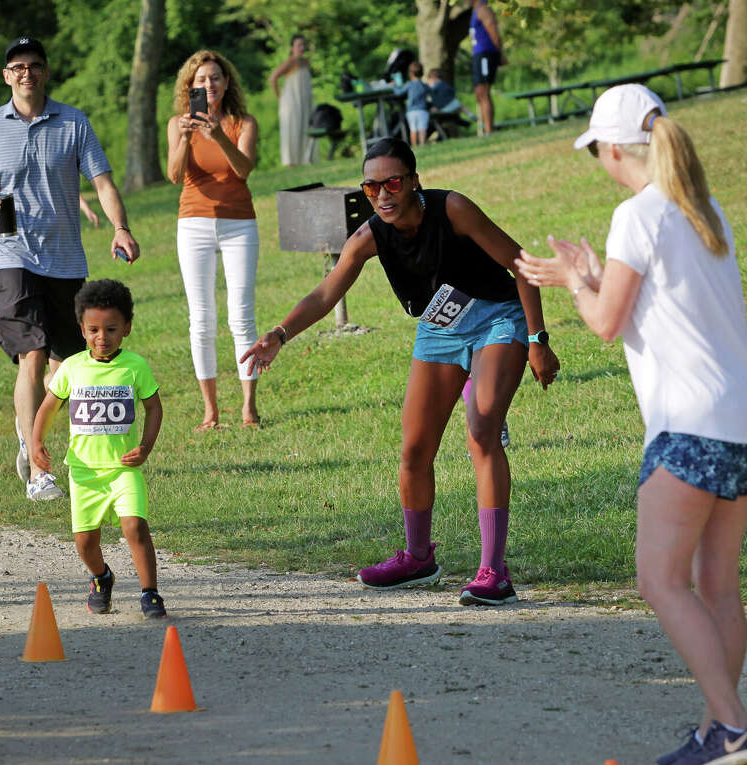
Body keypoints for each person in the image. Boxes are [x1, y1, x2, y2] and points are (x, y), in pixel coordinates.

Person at [515, 85, 747, 765]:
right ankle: (719, 727)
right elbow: (658, 305)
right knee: (718, 585)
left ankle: (732, 727)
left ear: (614, 150)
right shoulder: (707, 211)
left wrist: (571, 280)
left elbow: (605, 320)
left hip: (687, 425)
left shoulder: (637, 214)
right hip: (738, 422)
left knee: (660, 579)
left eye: (598, 154)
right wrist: (592, 271)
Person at [240, 137, 559, 606]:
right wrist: (279, 334)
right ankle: (417, 557)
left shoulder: (452, 209)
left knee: (482, 429)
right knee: (414, 447)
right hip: (440, 329)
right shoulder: (371, 235)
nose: (383, 195)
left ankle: (495, 572)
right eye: (372, 188)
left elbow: (520, 266)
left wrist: (537, 340)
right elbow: (327, 292)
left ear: (413, 181)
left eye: (392, 183)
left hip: (497, 318)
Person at [0, 36, 140, 502]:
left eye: (34, 65)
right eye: (17, 66)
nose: (26, 73)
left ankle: (28, 431)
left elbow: (102, 182)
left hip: (65, 261)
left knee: (64, 367)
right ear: (6, 75)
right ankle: (38, 467)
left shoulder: (74, 123)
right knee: (32, 354)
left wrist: (120, 227)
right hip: (10, 256)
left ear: (46, 72)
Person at [29, 279, 167, 619]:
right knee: (85, 543)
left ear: (127, 329)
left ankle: (150, 593)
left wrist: (145, 447)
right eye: (93, 330)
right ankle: (101, 577)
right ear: (82, 329)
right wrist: (36, 441)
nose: (101, 337)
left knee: (135, 527)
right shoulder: (73, 367)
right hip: (85, 472)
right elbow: (49, 406)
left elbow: (154, 408)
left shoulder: (135, 366)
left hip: (123, 468)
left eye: (111, 329)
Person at [167, 49, 262, 431]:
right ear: (190, 86)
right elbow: (174, 176)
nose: (209, 85)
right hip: (193, 224)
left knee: (241, 315)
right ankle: (210, 410)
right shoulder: (178, 123)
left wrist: (219, 136)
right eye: (201, 80)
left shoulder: (243, 123)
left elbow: (243, 170)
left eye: (216, 78)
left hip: (239, 224)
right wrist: (187, 139)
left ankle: (249, 406)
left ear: (227, 83)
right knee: (201, 319)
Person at [269, 34, 316, 167]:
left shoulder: (305, 62)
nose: (302, 48)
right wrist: (280, 97)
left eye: (303, 44)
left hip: (304, 101)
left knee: (306, 127)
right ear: (292, 48)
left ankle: (306, 159)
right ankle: (291, 163)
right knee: (292, 130)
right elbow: (273, 78)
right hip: (291, 102)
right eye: (299, 45)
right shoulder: (291, 62)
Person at [469, 0, 506, 137]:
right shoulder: (475, 10)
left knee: (483, 90)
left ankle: (490, 130)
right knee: (479, 92)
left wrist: (500, 53)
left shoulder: (484, 9)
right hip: (478, 55)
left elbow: (493, 30)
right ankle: (487, 128)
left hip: (486, 53)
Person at [393, 61, 430, 147]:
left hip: (411, 111)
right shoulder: (424, 85)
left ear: (410, 74)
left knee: (413, 129)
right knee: (422, 129)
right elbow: (431, 92)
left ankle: (414, 146)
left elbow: (399, 93)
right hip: (423, 110)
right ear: (422, 73)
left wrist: (394, 86)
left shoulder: (409, 84)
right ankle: (423, 145)